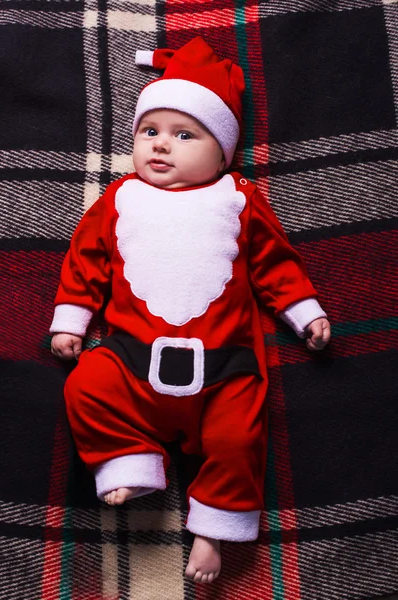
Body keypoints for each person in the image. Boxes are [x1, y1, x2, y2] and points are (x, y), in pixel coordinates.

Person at [50, 37, 331, 584]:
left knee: (239, 437)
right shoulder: (120, 198)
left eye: (184, 135)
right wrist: (71, 319)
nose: (160, 146)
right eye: (149, 131)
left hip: (223, 367)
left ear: (222, 152)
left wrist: (304, 311)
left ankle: (213, 530)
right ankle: (130, 461)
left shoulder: (237, 199)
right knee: (85, 386)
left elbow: (275, 263)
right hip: (131, 360)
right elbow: (86, 260)